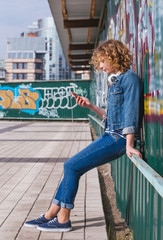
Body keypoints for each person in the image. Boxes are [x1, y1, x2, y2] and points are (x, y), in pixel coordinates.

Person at [24, 39, 143, 232]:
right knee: (72, 167)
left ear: (114, 57)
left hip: (118, 139)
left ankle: (63, 219)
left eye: (103, 61)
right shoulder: (116, 82)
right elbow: (111, 117)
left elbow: (131, 115)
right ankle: (50, 214)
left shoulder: (130, 79)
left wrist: (129, 145)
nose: (101, 66)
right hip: (110, 135)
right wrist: (90, 106)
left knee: (71, 166)